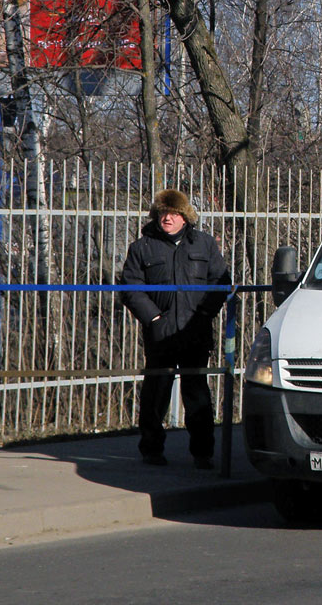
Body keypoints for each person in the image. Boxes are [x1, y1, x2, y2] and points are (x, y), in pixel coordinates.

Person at [120, 189, 230, 468]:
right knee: (156, 392)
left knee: (197, 394)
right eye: (162, 213)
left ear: (184, 216)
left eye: (173, 213)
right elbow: (131, 288)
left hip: (195, 331)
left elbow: (220, 282)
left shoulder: (204, 244)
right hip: (161, 333)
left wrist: (204, 314)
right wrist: (154, 319)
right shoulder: (142, 247)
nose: (166, 218)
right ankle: (151, 450)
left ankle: (203, 453)